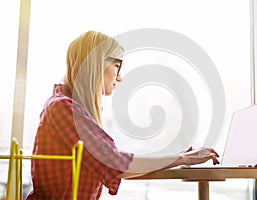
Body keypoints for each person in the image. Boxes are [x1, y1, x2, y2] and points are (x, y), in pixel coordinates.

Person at [26, 30, 219, 200]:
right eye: (117, 66)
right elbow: (115, 162)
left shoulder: (72, 109)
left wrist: (177, 157)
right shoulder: (62, 108)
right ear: (96, 65)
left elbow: (117, 161)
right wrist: (182, 158)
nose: (120, 77)